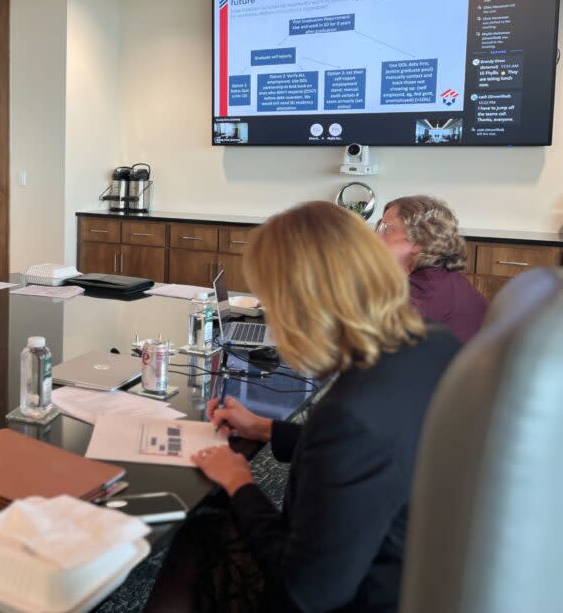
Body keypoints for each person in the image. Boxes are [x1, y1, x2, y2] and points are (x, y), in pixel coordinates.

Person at [154, 201, 460, 612]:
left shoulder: (351, 415)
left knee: (197, 540)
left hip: (365, 597)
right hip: (423, 571)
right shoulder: (434, 344)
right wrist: (267, 430)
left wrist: (240, 482)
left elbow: (306, 592)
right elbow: (376, 457)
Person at [377, 195, 488, 342]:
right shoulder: (441, 277)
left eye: (387, 228)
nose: (376, 235)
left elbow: (384, 345)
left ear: (419, 240)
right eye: (379, 225)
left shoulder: (424, 292)